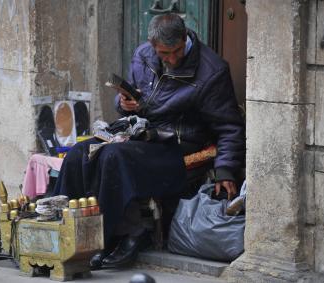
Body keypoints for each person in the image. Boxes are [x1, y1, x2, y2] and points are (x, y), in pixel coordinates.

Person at [52, 13, 245, 269]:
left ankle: (119, 236)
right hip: (142, 134)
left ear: (185, 37)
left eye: (177, 51)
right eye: (166, 54)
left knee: (113, 156)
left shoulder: (212, 70)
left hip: (181, 144)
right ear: (153, 45)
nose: (173, 59)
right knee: (79, 153)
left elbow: (229, 126)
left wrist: (225, 170)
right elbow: (130, 99)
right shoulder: (143, 55)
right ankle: (63, 231)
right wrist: (124, 103)